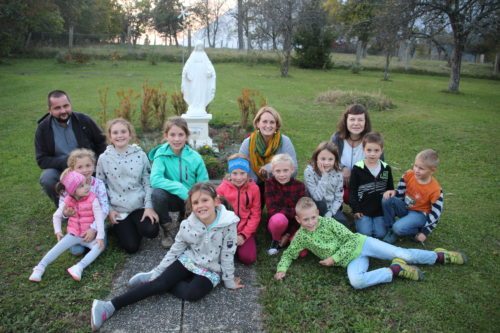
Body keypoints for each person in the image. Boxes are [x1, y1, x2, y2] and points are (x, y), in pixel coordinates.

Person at [90, 183, 244, 331]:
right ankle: (110, 305)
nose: (201, 205)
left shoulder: (228, 223)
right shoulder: (187, 225)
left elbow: (227, 254)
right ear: (191, 206)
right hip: (190, 259)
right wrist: (159, 272)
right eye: (195, 202)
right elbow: (175, 251)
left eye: (205, 200)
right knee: (159, 284)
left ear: (216, 201)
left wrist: (229, 281)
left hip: (211, 268)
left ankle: (157, 281)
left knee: (192, 294)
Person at [274, 197, 466, 290]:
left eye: (313, 217)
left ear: (318, 214)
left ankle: (439, 256)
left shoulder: (329, 222)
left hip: (361, 244)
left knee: (403, 253)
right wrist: (282, 268)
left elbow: (350, 239)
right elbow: (289, 253)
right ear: (298, 220)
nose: (311, 222)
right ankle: (394, 270)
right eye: (305, 220)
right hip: (351, 261)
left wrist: (334, 258)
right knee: (356, 282)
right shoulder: (301, 237)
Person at [96, 118, 159, 254]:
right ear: (110, 137)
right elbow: (100, 187)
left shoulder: (140, 155)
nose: (120, 135)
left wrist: (149, 206)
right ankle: (120, 228)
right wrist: (110, 209)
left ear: (130, 135)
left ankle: (134, 225)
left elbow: (147, 181)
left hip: (138, 205)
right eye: (115, 133)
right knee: (131, 247)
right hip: (118, 208)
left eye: (123, 131)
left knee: (152, 231)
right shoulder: (104, 159)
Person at [29, 171, 105, 282]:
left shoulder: (93, 199)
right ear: (73, 191)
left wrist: (99, 236)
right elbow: (56, 216)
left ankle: (79, 267)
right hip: (73, 234)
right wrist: (58, 231)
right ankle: (40, 267)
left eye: (86, 184)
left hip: (88, 236)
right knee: (57, 248)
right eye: (82, 186)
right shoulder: (67, 200)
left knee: (99, 246)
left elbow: (99, 219)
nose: (87, 187)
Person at [35, 90, 106, 207]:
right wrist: (66, 162)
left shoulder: (84, 120)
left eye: (65, 106)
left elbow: (102, 143)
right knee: (47, 178)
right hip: (62, 169)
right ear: (50, 110)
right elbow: (41, 159)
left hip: (88, 166)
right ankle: (66, 209)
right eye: (57, 108)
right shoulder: (43, 129)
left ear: (70, 105)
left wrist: (93, 164)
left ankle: (97, 204)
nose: (63, 111)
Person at [149, 116, 209, 248]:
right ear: (166, 135)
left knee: (194, 237)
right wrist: (180, 188)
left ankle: (185, 216)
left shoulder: (195, 157)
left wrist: (196, 198)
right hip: (171, 197)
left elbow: (204, 184)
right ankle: (167, 229)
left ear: (186, 136)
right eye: (172, 135)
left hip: (191, 199)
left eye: (181, 134)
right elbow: (155, 179)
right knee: (157, 194)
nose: (177, 139)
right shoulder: (161, 155)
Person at [382, 149, 443, 244]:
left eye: (421, 168)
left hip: (419, 215)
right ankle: (390, 230)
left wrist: (425, 232)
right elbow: (400, 193)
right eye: (415, 166)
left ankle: (416, 231)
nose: (416, 170)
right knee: (387, 199)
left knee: (398, 228)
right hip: (406, 208)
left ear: (432, 170)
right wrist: (393, 192)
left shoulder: (435, 190)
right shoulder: (408, 175)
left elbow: (436, 214)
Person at [239, 106, 298, 202]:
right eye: (264, 121)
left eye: (272, 122)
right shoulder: (248, 142)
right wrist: (252, 185)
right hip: (255, 183)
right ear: (257, 123)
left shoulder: (284, 141)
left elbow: (294, 169)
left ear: (276, 125)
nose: (268, 125)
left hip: (278, 182)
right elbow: (240, 166)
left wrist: (271, 167)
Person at [59, 148, 109, 256]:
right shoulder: (68, 186)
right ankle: (81, 241)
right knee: (77, 251)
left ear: (93, 166)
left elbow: (104, 208)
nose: (85, 170)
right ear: (72, 169)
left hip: (95, 224)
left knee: (100, 247)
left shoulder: (98, 184)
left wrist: (93, 229)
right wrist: (65, 213)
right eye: (80, 167)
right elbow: (62, 207)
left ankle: (100, 233)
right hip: (77, 226)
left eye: (88, 165)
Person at [331, 104, 382, 203]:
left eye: (360, 120)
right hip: (339, 182)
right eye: (352, 119)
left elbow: (380, 166)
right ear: (346, 121)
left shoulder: (373, 140)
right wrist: (343, 168)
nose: (356, 123)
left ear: (365, 122)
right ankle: (335, 209)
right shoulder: (337, 138)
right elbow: (329, 159)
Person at [216, 154, 261, 265]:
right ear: (230, 173)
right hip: (225, 230)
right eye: (235, 173)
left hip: (244, 230)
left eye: (242, 173)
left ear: (248, 173)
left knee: (248, 258)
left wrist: (244, 235)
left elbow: (255, 215)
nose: (239, 177)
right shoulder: (222, 189)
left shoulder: (254, 189)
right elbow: (216, 214)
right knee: (217, 258)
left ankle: (242, 244)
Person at [349, 132, 394, 239]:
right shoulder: (357, 168)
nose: (372, 154)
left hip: (379, 210)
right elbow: (353, 190)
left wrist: (391, 192)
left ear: (381, 151)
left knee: (380, 234)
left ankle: (378, 223)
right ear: (363, 149)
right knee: (366, 234)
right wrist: (356, 209)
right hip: (363, 210)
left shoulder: (386, 168)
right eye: (369, 150)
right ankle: (358, 222)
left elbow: (390, 188)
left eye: (376, 150)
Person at [265, 154, 306, 256]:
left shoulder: (299, 186)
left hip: (295, 224)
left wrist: (288, 234)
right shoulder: (269, 184)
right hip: (277, 222)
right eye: (278, 171)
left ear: (292, 170)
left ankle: (288, 238)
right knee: (279, 219)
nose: (282, 174)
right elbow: (271, 209)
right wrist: (292, 211)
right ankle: (276, 240)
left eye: (285, 170)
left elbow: (301, 212)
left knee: (301, 253)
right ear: (273, 171)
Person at [304, 141, 348, 227]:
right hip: (315, 207)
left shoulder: (338, 173)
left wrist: (331, 212)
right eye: (323, 159)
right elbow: (317, 197)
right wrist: (324, 176)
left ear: (335, 160)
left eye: (330, 159)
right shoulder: (309, 172)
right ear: (316, 158)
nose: (326, 163)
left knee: (343, 223)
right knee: (321, 205)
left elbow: (338, 197)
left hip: (331, 207)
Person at [182, 40, 216, 117]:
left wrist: (210, 72)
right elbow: (188, 64)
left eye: (201, 46)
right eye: (199, 46)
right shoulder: (193, 55)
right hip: (194, 78)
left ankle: (200, 106)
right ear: (196, 47)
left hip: (202, 78)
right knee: (194, 90)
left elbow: (209, 65)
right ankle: (193, 105)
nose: (200, 48)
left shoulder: (204, 55)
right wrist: (186, 72)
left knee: (201, 91)